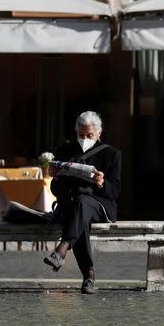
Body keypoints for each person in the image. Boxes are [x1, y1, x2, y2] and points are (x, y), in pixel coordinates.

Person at [43, 111, 121, 294]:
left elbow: (115, 191)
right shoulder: (64, 151)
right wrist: (56, 178)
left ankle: (63, 249)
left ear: (99, 133)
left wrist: (102, 183)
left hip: (99, 205)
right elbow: (55, 190)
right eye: (81, 135)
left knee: (82, 204)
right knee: (79, 210)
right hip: (72, 206)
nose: (84, 139)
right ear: (76, 132)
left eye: (89, 135)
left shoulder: (111, 154)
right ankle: (89, 277)